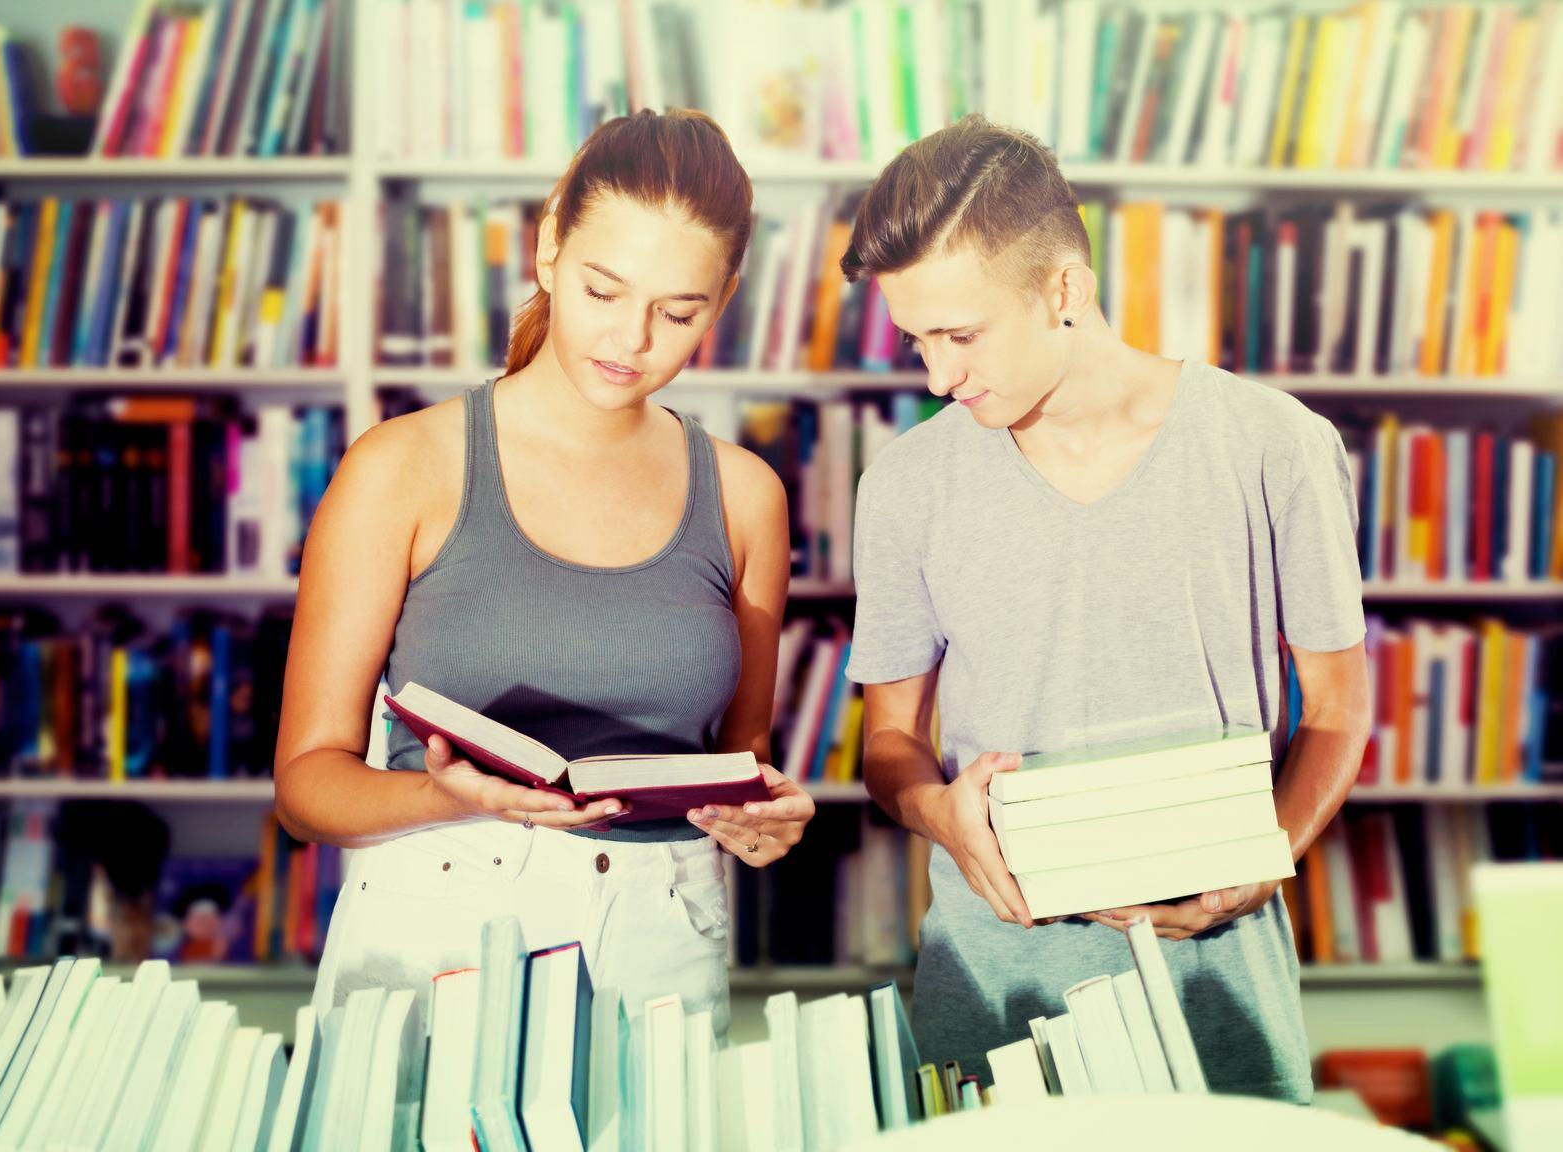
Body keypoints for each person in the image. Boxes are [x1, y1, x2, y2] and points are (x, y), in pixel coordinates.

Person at [842, 116, 1372, 1100]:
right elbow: (888, 740)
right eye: (918, 341)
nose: (938, 377)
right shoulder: (906, 483)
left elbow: (1338, 709)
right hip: (990, 989)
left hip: (1219, 986)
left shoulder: (1275, 447)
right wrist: (939, 816)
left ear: (1065, 290)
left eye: (960, 337)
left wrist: (1270, 857)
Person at [273, 110, 814, 1040]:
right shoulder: (402, 467)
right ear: (549, 249)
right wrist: (444, 795)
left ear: (719, 305)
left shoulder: (746, 495)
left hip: (661, 936)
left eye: (677, 313)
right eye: (604, 290)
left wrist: (766, 814)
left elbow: (742, 755)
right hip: (439, 919)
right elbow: (305, 787)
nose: (632, 338)